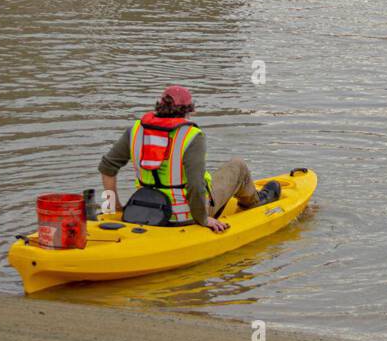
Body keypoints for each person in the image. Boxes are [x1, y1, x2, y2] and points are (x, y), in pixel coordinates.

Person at [98, 85, 279, 232]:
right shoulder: (192, 136)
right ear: (189, 111)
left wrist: (114, 206)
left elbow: (107, 167)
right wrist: (202, 219)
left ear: (159, 106)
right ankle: (256, 202)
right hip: (183, 215)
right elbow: (195, 184)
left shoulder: (136, 130)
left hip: (144, 208)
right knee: (238, 166)